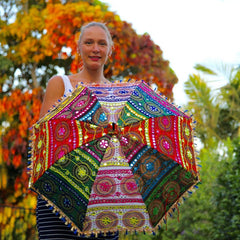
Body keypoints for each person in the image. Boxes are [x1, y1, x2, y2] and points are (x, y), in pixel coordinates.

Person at [37, 22, 119, 240]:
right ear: (79, 48)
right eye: (89, 42)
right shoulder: (61, 84)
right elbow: (41, 139)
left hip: (105, 201)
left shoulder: (117, 94)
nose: (95, 49)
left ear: (110, 50)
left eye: (102, 43)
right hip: (58, 196)